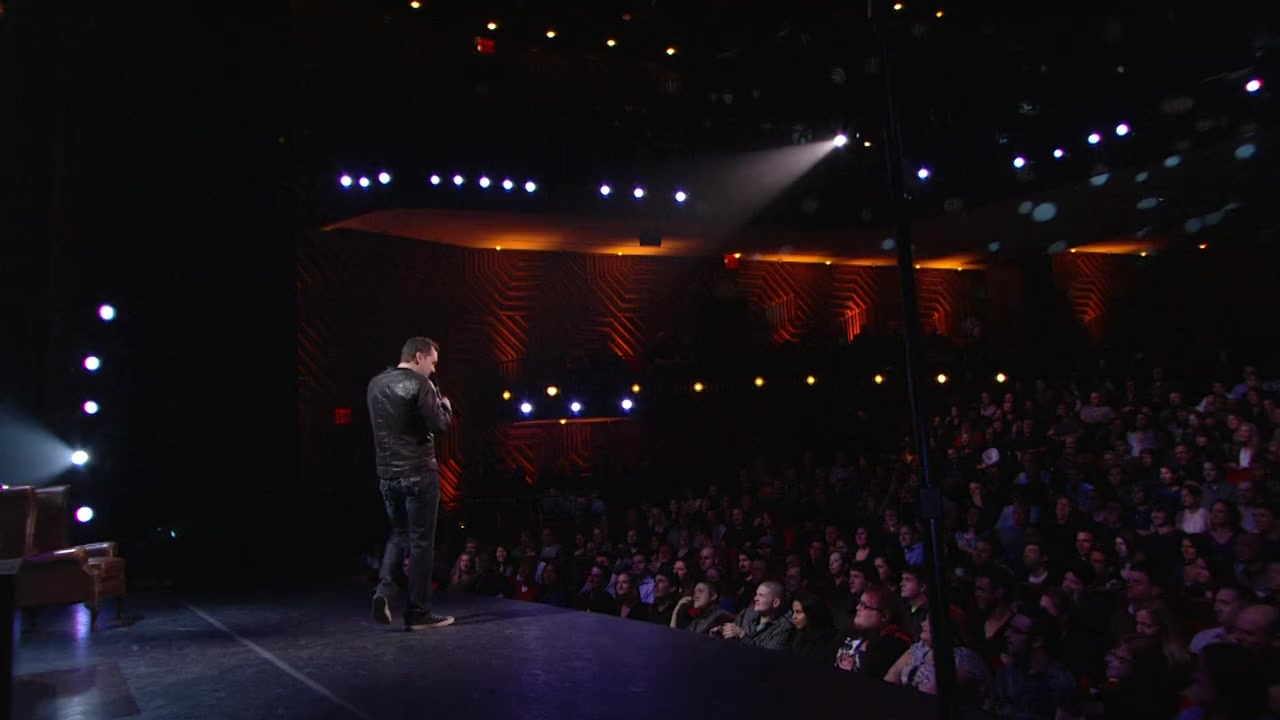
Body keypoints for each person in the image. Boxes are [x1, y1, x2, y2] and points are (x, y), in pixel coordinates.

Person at [367, 337, 455, 631]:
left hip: (387, 476)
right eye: (432, 362)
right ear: (419, 357)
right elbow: (439, 425)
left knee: (398, 535)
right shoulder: (421, 384)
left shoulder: (375, 384)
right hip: (419, 474)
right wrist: (445, 407)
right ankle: (418, 612)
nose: (433, 369)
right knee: (421, 543)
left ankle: (384, 592)